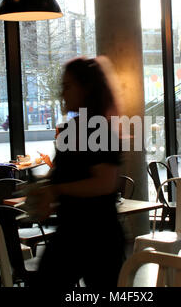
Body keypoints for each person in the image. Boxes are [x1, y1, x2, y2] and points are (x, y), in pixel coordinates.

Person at [27, 56, 125, 289]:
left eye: (68, 86)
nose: (63, 94)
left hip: (98, 239)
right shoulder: (71, 130)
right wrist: (43, 192)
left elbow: (105, 183)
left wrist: (55, 189)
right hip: (73, 234)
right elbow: (63, 177)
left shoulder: (99, 129)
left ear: (86, 89)